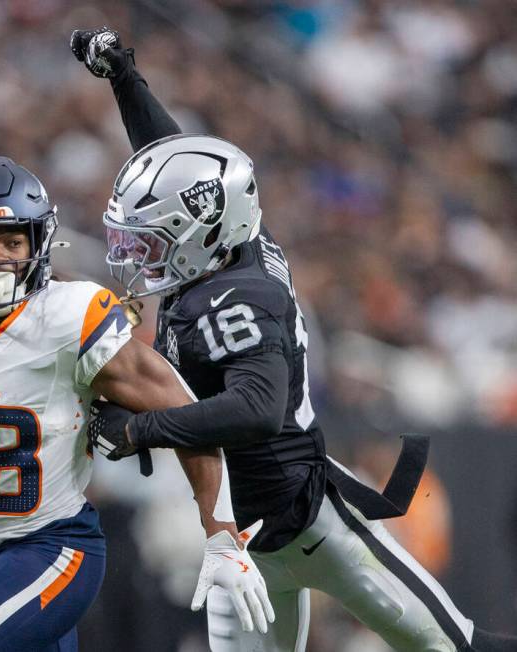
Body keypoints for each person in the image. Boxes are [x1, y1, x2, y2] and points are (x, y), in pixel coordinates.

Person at [71, 28, 517, 652]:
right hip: (238, 539)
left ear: (199, 234)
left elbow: (256, 410)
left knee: (453, 646)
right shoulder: (231, 242)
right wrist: (126, 78)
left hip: (314, 526)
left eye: (152, 239)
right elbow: (175, 154)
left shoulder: (236, 298)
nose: (140, 255)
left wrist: (138, 430)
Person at [0, 156, 274, 651]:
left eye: (13, 241)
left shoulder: (69, 316)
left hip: (56, 550)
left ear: (38, 242)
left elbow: (188, 414)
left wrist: (221, 535)